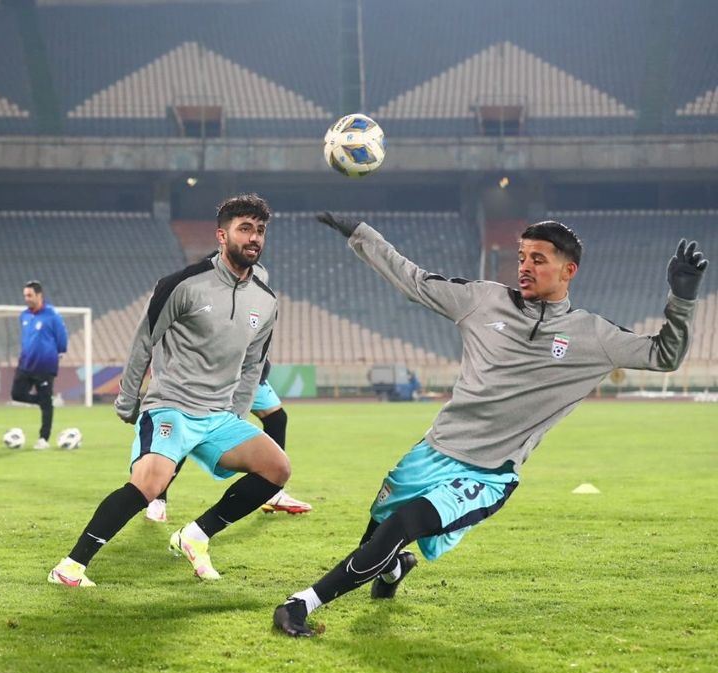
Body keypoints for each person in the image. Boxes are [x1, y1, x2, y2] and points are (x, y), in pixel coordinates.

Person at [273, 214, 707, 637]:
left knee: (402, 525)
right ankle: (393, 570)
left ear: (568, 270)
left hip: (487, 473)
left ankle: (298, 605)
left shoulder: (592, 335)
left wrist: (682, 298)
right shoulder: (481, 300)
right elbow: (413, 280)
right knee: (375, 539)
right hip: (432, 451)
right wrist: (360, 233)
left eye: (538, 259)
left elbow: (663, 355)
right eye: (522, 257)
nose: (525, 266)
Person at [48, 193, 292, 587]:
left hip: (218, 417)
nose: (254, 238)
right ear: (222, 235)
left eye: (260, 230)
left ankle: (195, 535)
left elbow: (253, 364)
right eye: (245, 228)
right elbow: (143, 342)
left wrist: (237, 414)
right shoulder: (183, 284)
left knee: (277, 468)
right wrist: (128, 400)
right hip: (171, 407)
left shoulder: (265, 301)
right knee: (150, 484)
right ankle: (70, 567)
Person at [145, 362, 312, 522]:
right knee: (192, 428)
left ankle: (272, 492)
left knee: (276, 418)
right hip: (219, 374)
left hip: (249, 374)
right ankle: (158, 497)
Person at [11, 281, 68, 450]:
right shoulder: (24, 315)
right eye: (25, 295)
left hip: (45, 366)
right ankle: (45, 401)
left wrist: (59, 353)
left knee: (46, 405)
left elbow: (62, 339)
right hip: (25, 364)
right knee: (17, 394)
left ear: (39, 295)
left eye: (29, 295)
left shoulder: (52, 315)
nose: (26, 298)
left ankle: (44, 438)